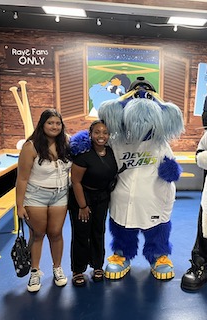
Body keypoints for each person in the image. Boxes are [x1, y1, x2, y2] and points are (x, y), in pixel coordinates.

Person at [15, 108, 72, 293]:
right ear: (42, 124)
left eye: (58, 123)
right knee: (38, 234)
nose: (54, 126)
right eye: (50, 123)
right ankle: (35, 271)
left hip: (60, 194)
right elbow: (22, 178)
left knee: (56, 233)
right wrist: (19, 205)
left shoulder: (67, 142)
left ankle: (57, 268)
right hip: (36, 195)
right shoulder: (30, 146)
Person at [68, 120, 118, 286]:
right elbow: (75, 182)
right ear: (90, 135)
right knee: (82, 233)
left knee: (98, 231)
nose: (101, 136)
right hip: (82, 197)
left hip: (102, 197)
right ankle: (78, 269)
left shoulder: (111, 152)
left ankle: (97, 265)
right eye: (97, 132)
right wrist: (82, 206)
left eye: (104, 132)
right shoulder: (84, 155)